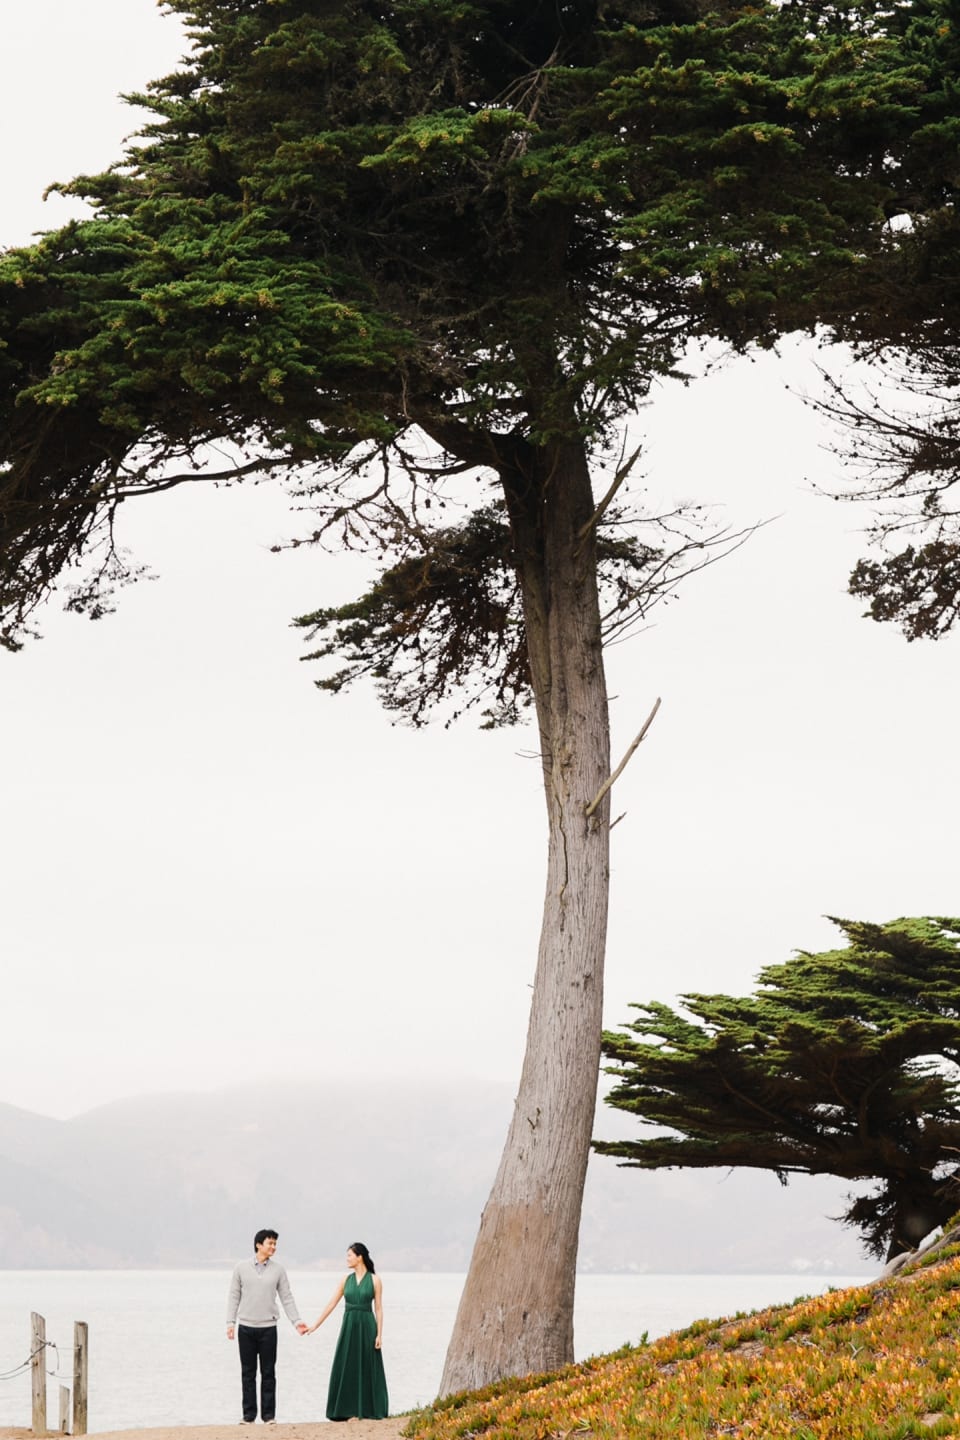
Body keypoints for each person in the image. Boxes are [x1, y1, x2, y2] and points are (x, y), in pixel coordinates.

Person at [226, 1228, 308, 1423]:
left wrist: (297, 1321)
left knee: (268, 1372)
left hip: (268, 1328)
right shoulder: (241, 1268)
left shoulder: (278, 1270)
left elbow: (286, 1297)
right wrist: (230, 1322)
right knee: (248, 1373)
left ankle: (269, 1416)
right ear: (258, 1245)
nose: (273, 1247)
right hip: (245, 1327)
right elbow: (234, 1296)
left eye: (275, 1244)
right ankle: (248, 1416)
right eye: (270, 1243)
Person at [305, 1242, 389, 1420]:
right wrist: (315, 1325)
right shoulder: (345, 1280)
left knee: (368, 1365)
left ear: (360, 1257)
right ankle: (345, 1410)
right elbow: (331, 1304)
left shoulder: (375, 1280)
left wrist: (379, 1334)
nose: (347, 1259)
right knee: (346, 1364)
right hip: (349, 1326)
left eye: (350, 1255)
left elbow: (379, 1308)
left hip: (367, 1325)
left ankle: (370, 1410)